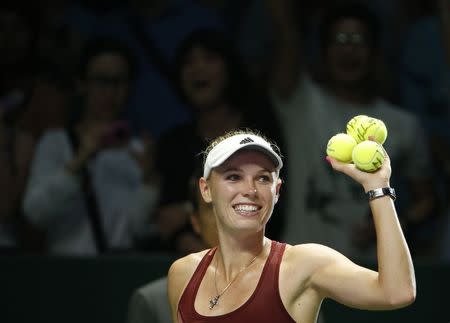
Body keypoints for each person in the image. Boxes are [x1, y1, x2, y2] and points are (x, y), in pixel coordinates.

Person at [167, 129, 415, 322]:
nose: (250, 190)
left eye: (263, 178)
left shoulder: (305, 264)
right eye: (234, 177)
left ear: (276, 192)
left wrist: (377, 186)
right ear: (206, 189)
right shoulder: (183, 273)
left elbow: (398, 292)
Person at [267, 0, 437, 259]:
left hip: (370, 270)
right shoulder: (300, 103)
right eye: (340, 39)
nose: (348, 49)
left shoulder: (404, 124)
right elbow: (288, 39)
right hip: (300, 265)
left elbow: (427, 199)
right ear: (323, 51)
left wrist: (398, 222)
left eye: (358, 40)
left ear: (375, 52)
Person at [22, 38, 159, 255]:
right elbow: (35, 213)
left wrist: (149, 181)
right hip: (67, 271)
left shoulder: (139, 149)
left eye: (119, 81)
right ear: (82, 84)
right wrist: (80, 160)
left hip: (119, 271)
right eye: (101, 80)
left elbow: (138, 230)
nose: (110, 91)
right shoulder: (57, 142)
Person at [153, 28, 286, 252]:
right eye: (188, 62)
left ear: (229, 69)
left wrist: (187, 210)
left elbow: (273, 209)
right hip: (193, 262)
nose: (198, 69)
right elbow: (168, 220)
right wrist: (212, 264)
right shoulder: (173, 143)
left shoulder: (261, 130)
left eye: (209, 58)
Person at [126, 169, 219, 323]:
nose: (225, 217)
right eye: (212, 207)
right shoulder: (155, 301)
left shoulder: (272, 287)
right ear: (196, 220)